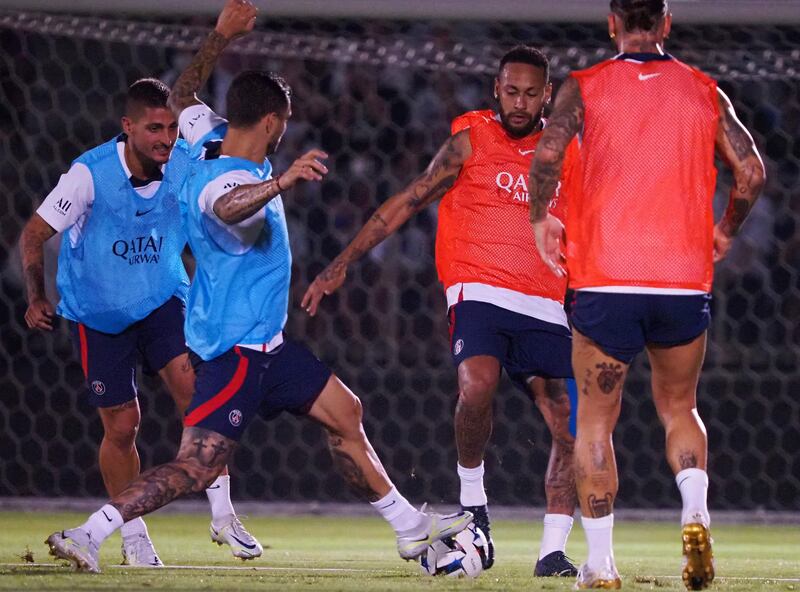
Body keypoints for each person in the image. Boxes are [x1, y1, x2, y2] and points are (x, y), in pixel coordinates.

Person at [45, 2, 472, 574]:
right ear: (273, 124)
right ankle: (89, 532)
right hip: (236, 351)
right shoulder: (228, 177)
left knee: (346, 412)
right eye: (285, 124)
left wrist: (218, 38)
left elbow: (180, 97)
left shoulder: (202, 136)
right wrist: (283, 181)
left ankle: (409, 528)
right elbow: (227, 205)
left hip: (268, 346)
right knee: (196, 466)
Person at [303, 45, 582, 576]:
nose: (519, 103)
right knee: (477, 384)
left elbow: (596, 223)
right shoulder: (470, 140)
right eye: (510, 91)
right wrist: (342, 262)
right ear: (496, 89)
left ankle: (552, 551)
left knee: (569, 426)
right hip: (479, 289)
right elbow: (409, 200)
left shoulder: (567, 151)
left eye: (531, 93)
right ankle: (474, 506)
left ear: (547, 96)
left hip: (546, 300)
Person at [528, 1, 765, 589]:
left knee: (595, 425)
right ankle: (695, 513)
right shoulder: (705, 91)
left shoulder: (585, 87)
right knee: (679, 407)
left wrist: (540, 220)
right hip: (682, 281)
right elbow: (753, 172)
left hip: (606, 278)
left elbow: (549, 153)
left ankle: (601, 565)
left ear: (612, 23)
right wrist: (726, 230)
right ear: (665, 25)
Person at [20, 76, 261, 566]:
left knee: (197, 394)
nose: (166, 139)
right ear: (127, 127)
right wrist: (35, 297)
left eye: (172, 127)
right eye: (154, 128)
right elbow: (34, 233)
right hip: (100, 313)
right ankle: (133, 534)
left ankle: (222, 514)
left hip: (162, 299)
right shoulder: (88, 175)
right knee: (123, 427)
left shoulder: (186, 161)